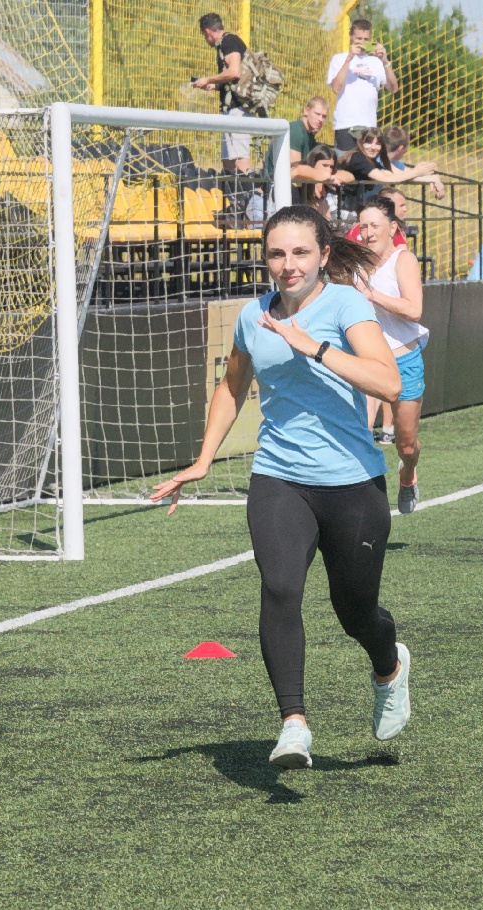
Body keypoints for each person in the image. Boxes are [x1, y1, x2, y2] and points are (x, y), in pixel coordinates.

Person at [150, 205, 412, 770]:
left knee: (356, 612)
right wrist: (203, 460)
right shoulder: (252, 316)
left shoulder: (346, 305)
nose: (288, 264)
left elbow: (388, 382)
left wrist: (313, 345)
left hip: (352, 483)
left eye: (300, 252)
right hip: (278, 477)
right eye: (276, 253)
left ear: (323, 255)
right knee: (279, 588)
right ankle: (294, 723)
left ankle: (389, 666)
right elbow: (231, 385)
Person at [355, 195, 428, 513]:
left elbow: (414, 310)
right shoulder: (356, 264)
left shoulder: (403, 259)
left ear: (392, 227)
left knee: (406, 445)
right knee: (359, 433)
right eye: (363, 226)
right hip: (366, 361)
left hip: (403, 360)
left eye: (374, 225)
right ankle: (359, 501)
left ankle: (408, 474)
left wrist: (372, 294)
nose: (368, 232)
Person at [327, 18, 398, 154]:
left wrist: (385, 62)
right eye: (359, 39)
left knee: (366, 165)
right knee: (346, 162)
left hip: (368, 126)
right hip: (346, 124)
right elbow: (336, 88)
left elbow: (393, 88)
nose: (362, 43)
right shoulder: (339, 59)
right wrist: (349, 58)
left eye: (366, 40)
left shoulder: (375, 62)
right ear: (350, 36)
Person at [193, 13, 252, 174]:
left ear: (207, 32)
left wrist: (207, 79)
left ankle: (251, 190)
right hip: (231, 109)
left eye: (204, 36)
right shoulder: (224, 44)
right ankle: (232, 191)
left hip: (239, 110)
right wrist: (213, 85)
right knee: (228, 161)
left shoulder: (229, 41)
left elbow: (234, 72)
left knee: (240, 160)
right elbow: (233, 80)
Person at [337, 128, 439, 219]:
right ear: (361, 143)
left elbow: (393, 175)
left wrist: (432, 179)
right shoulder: (358, 158)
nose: (373, 147)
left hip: (352, 207)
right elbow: (385, 178)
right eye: (369, 142)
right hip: (340, 208)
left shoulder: (373, 161)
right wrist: (416, 172)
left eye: (377, 144)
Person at [382, 125, 445, 200]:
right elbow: (397, 175)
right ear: (401, 148)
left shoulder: (394, 161)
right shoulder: (379, 158)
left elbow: (408, 174)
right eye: (406, 148)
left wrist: (433, 177)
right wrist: (419, 172)